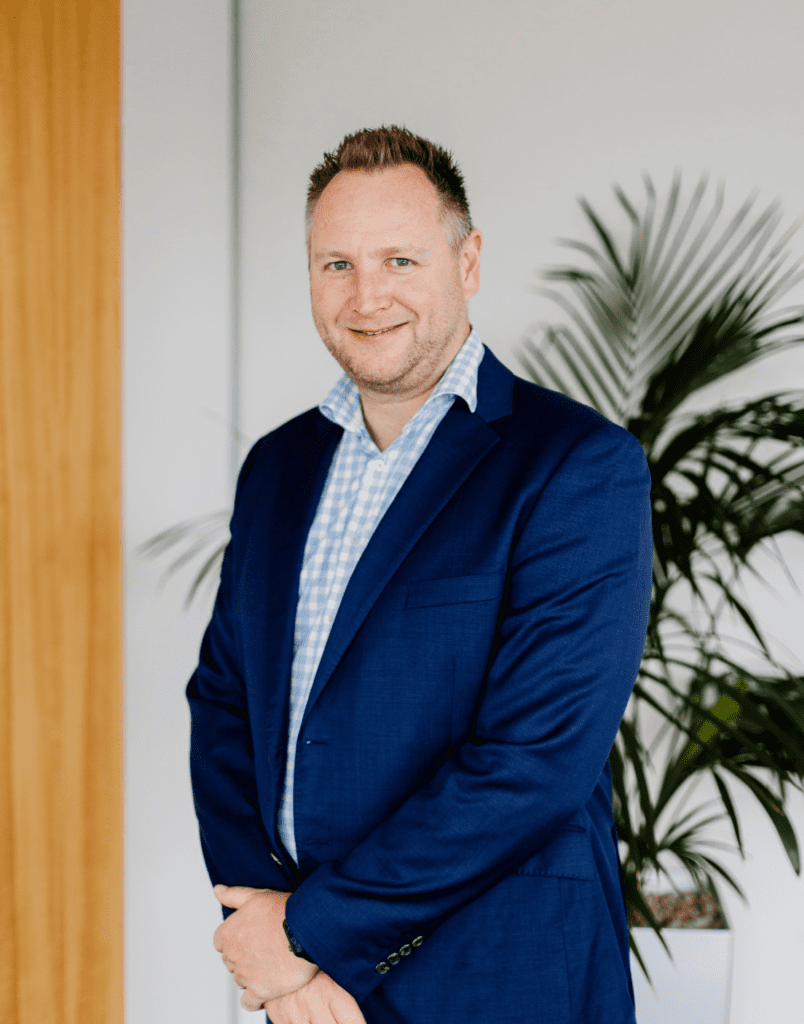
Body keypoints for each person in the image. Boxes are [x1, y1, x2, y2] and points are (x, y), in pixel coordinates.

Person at [187, 125, 652, 1024]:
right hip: (304, 992)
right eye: (337, 265)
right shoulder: (278, 467)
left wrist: (311, 934)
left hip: (500, 982)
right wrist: (266, 935)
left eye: (400, 259)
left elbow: (533, 764)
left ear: (467, 262)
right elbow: (223, 702)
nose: (366, 296)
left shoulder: (577, 466)